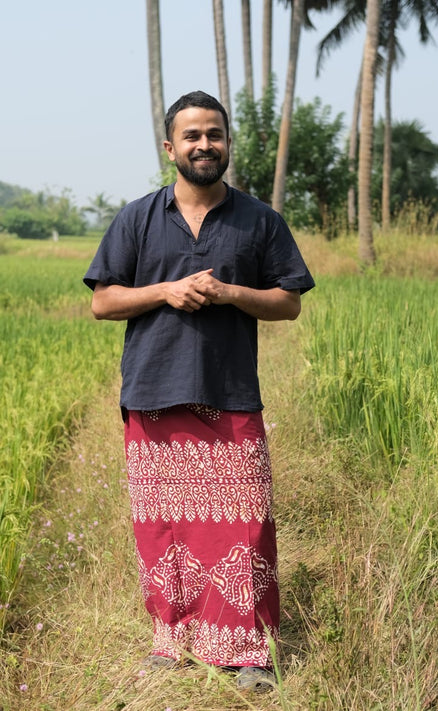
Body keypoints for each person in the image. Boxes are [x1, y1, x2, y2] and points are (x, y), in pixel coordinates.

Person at [83, 90, 314, 692]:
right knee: (164, 526)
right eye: (192, 136)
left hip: (231, 392)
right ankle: (173, 642)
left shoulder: (259, 220)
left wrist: (232, 292)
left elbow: (287, 302)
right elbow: (102, 302)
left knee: (245, 521)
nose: (204, 145)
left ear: (228, 144)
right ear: (170, 148)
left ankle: (249, 653)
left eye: (214, 134)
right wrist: (166, 290)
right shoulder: (137, 217)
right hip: (154, 391)